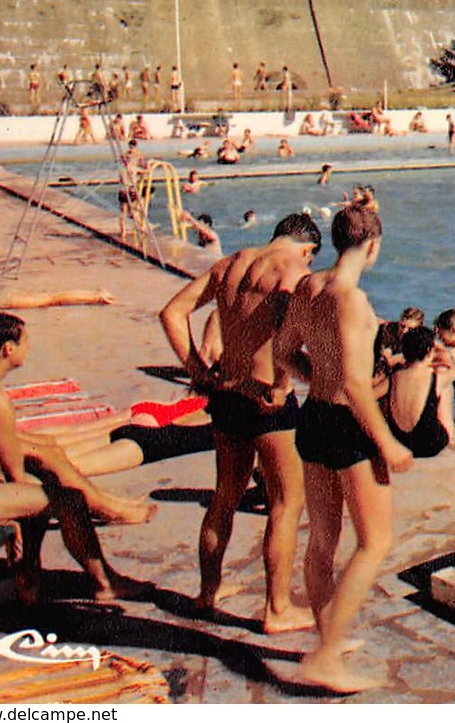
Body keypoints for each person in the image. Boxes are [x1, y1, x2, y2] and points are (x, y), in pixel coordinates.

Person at [159, 212, 324, 632]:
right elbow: (286, 320)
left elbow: (171, 314)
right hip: (268, 401)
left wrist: (198, 371)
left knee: (224, 497)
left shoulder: (228, 264)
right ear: (308, 248)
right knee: (286, 504)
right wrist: (285, 381)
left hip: (227, 394)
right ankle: (277, 610)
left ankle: (207, 594)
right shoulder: (295, 270)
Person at [271, 204, 412, 694]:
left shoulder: (309, 287)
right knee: (374, 543)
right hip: (350, 426)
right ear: (372, 246)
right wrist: (387, 442)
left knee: (323, 537)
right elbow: (355, 383)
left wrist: (316, 381)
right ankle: (327, 657)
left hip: (313, 418)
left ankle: (324, 635)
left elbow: (282, 354)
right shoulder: (352, 301)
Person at [0, 313, 151, 604]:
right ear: (8, 349)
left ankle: (30, 575)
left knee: (39, 478)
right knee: (67, 500)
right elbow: (15, 475)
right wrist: (16, 525)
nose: (28, 347)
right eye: (26, 341)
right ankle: (103, 583)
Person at [382, 326, 455, 460]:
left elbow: (371, 394)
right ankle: (449, 431)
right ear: (429, 351)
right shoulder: (436, 377)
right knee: (446, 387)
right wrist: (443, 350)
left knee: (389, 393)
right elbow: (454, 370)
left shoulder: (394, 377)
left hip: (401, 441)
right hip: (429, 445)